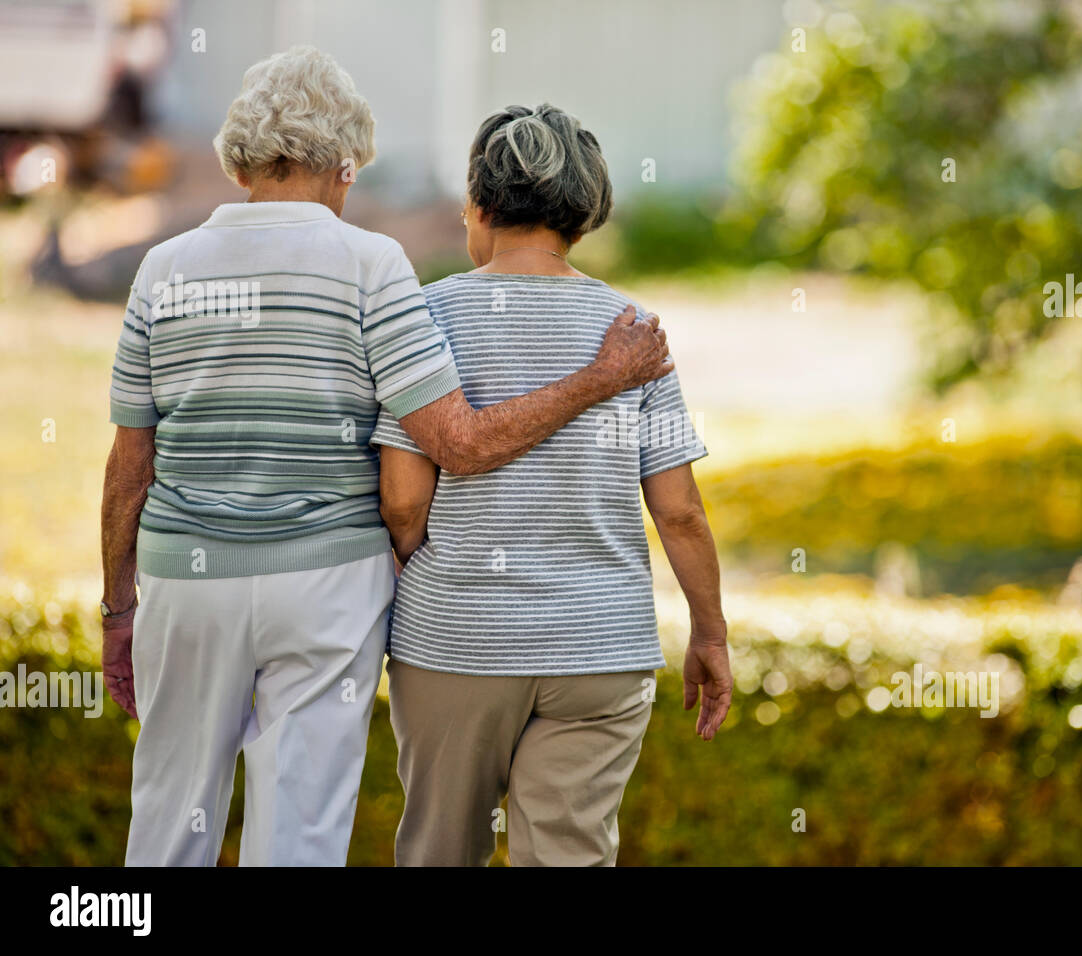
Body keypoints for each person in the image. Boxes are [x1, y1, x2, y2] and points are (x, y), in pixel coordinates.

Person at [99, 49, 672, 867]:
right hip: (325, 584)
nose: (350, 188)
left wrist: (120, 607)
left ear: (243, 158)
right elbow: (459, 443)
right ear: (339, 162)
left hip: (186, 582)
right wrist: (601, 377)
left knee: (166, 816)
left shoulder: (164, 269)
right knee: (299, 830)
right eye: (352, 171)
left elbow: (130, 465)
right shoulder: (371, 265)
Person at [375, 103, 732, 866]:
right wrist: (710, 631)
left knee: (439, 851)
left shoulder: (426, 317)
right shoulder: (637, 331)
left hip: (456, 639)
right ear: (583, 214)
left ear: (478, 206)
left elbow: (404, 499)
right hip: (600, 649)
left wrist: (415, 569)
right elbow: (681, 513)